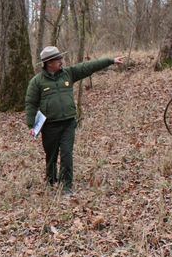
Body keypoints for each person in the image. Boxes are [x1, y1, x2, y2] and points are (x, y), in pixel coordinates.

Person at [25, 46, 124, 193]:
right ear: (48, 62)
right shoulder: (37, 82)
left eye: (60, 58)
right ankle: (51, 180)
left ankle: (66, 186)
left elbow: (88, 67)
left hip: (68, 123)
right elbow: (31, 103)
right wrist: (31, 125)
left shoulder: (68, 74)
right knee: (51, 155)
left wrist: (110, 61)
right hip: (49, 126)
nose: (61, 61)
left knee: (66, 154)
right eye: (58, 59)